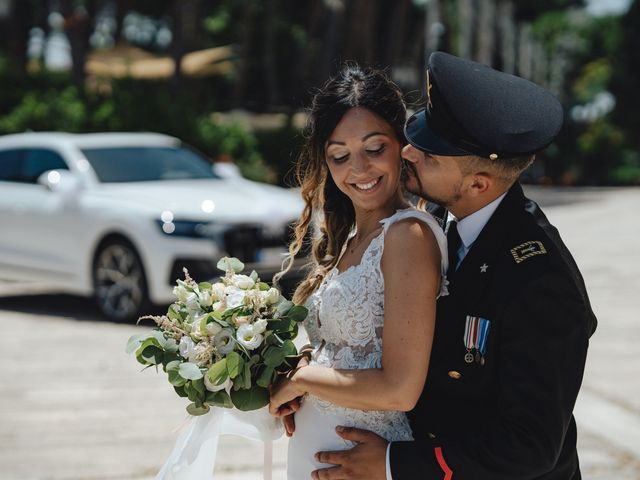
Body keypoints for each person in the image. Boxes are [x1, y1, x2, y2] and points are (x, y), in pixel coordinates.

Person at [312, 52, 598, 480]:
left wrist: (394, 463)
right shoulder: (446, 221)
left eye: (429, 156)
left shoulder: (539, 280)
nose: (408, 152)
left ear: (478, 183)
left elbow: (530, 447)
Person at [269, 63, 449, 479]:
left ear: (402, 144)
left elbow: (400, 389)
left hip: (360, 460)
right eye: (340, 155)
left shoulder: (408, 237)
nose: (360, 170)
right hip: (318, 454)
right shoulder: (351, 236)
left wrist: (304, 381)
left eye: (374, 148)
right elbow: (345, 352)